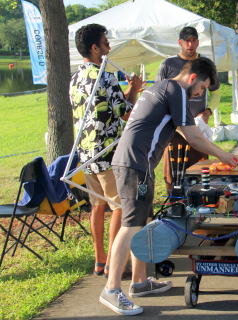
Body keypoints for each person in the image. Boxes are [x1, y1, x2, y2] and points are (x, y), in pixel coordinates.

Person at [100, 58, 238, 315]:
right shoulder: (176, 91)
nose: (201, 93)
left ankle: (140, 283)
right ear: (192, 76)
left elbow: (187, 133)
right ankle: (111, 289)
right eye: (202, 87)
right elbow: (194, 136)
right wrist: (222, 155)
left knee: (140, 222)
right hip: (134, 164)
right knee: (130, 225)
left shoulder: (163, 87)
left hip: (137, 163)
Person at [69, 23, 143, 278]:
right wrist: (133, 90)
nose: (108, 47)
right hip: (107, 153)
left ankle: (100, 261)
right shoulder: (106, 76)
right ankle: (114, 262)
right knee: (120, 207)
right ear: (94, 47)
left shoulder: (76, 76)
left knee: (97, 206)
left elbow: (99, 108)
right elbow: (126, 114)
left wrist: (126, 93)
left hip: (85, 154)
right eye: (105, 43)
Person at [155, 26, 222, 193]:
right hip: (173, 130)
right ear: (180, 42)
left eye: (193, 41)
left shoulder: (206, 64)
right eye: (187, 41)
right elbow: (158, 93)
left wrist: (208, 112)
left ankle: (197, 207)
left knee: (199, 172)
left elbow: (216, 92)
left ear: (198, 42)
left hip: (197, 127)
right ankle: (173, 204)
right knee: (172, 174)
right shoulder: (168, 64)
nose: (190, 44)